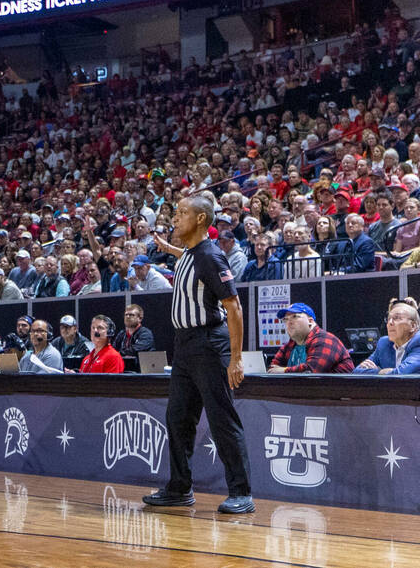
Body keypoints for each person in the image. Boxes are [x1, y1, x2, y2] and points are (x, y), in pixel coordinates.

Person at [143, 195, 254, 514]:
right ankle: (179, 488)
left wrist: (236, 357)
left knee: (222, 419)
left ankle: (241, 492)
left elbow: (234, 307)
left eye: (181, 214)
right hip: (185, 346)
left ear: (202, 219)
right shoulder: (190, 254)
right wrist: (169, 249)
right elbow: (191, 259)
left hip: (208, 344)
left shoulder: (210, 256)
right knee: (177, 419)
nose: (175, 219)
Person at [267, 303, 353, 373]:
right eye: (286, 319)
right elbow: (272, 369)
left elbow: (311, 371)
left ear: (310, 321)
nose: (289, 322)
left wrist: (284, 370)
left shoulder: (325, 340)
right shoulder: (290, 345)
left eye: (295, 316)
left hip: (338, 392)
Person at [355, 301, 420, 374]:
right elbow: (357, 372)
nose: (390, 322)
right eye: (388, 319)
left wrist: (376, 373)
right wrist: (380, 372)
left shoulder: (418, 341)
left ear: (413, 326)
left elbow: (402, 373)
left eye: (397, 318)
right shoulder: (384, 343)